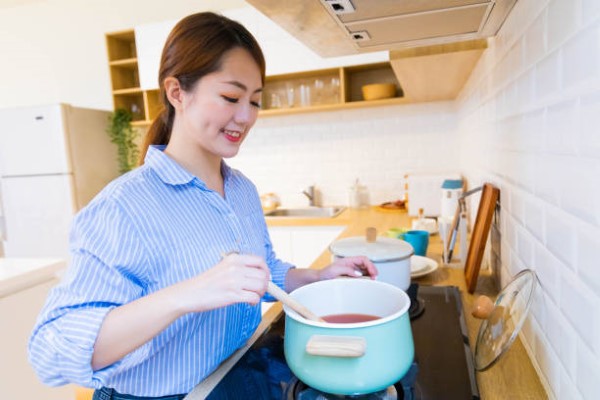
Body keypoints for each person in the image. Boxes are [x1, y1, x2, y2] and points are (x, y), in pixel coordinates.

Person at [28, 11, 376, 400]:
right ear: (177, 92)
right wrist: (186, 294)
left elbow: (260, 271)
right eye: (230, 97)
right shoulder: (123, 207)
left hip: (231, 376)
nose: (245, 117)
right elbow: (50, 351)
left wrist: (315, 278)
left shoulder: (241, 189)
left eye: (255, 101)